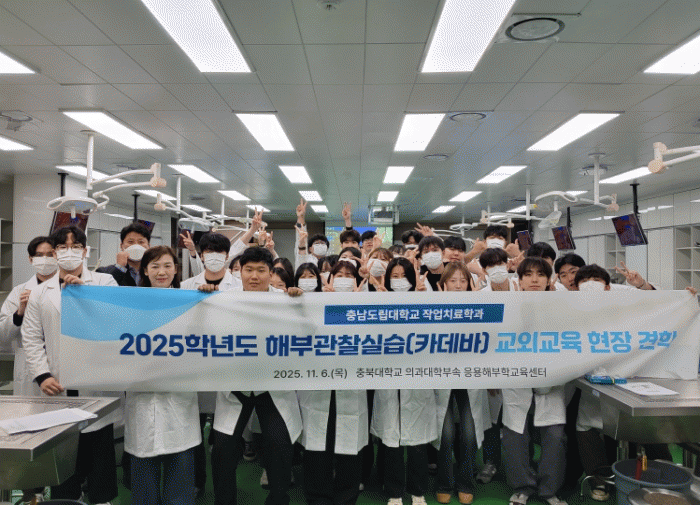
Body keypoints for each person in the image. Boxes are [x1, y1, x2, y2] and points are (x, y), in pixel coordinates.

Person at [22, 225, 121, 505]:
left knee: (100, 465)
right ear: (54, 253)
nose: (69, 252)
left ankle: (101, 500)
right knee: (65, 471)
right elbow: (31, 336)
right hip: (58, 387)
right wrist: (42, 375)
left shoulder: (104, 283)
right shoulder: (40, 292)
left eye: (75, 246)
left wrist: (84, 294)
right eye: (62, 247)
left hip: (96, 386)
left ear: (85, 251)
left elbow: (114, 320)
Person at [211, 247, 304, 505]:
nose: (254, 276)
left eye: (261, 270)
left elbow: (308, 328)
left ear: (271, 273)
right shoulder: (223, 299)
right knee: (222, 449)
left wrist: (300, 302)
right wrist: (204, 296)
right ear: (239, 272)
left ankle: (278, 499)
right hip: (236, 386)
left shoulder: (285, 300)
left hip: (271, 386)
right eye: (248, 270)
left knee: (280, 445)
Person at [123, 246, 201, 505]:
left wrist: (209, 298)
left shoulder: (191, 303)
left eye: (167, 265)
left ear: (176, 270)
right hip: (142, 401)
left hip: (179, 403)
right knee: (144, 489)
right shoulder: (129, 304)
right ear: (145, 270)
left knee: (180, 486)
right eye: (155, 266)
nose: (161, 272)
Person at [502, 258, 567, 505]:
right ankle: (522, 487)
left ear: (549, 280)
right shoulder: (507, 307)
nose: (534, 279)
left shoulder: (562, 308)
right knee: (515, 439)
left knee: (555, 438)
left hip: (551, 385)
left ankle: (549, 490)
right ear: (519, 280)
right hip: (516, 384)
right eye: (528, 274)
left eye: (540, 274)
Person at [180, 232, 239, 494]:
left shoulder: (239, 286)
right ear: (201, 255)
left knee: (226, 436)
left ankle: (224, 487)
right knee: (194, 431)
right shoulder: (186, 286)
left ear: (227, 256)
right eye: (208, 251)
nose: (214, 256)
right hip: (196, 368)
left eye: (219, 252)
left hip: (228, 367)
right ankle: (197, 482)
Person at [0, 236, 57, 505]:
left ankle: (65, 488)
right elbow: (2, 335)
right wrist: (19, 313)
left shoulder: (67, 287)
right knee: (30, 433)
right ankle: (31, 492)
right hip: (29, 374)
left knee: (60, 432)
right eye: (40, 254)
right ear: (31, 259)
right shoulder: (19, 292)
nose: (45, 259)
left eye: (50, 253)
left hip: (60, 371)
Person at [434, 263, 488, 505]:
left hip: (470, 378)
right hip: (441, 377)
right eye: (453, 281)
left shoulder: (479, 309)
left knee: (468, 432)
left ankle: (466, 482)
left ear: (469, 284)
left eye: (463, 281)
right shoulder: (432, 308)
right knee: (445, 433)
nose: (458, 285)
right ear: (443, 284)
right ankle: (444, 483)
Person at [97, 222, 151, 286]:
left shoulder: (155, 271)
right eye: (130, 242)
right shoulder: (103, 272)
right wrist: (119, 267)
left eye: (141, 242)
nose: (136, 246)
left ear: (148, 246)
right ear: (121, 246)